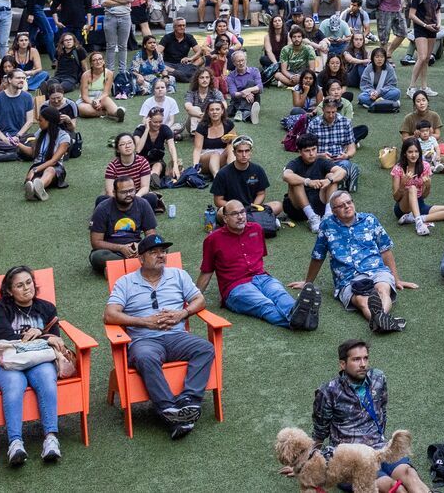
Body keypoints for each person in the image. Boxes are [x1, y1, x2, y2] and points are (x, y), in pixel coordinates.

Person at [105, 235, 213, 438]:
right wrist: (145, 322)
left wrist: (183, 313)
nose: (161, 256)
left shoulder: (178, 275)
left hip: (177, 337)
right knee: (146, 358)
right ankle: (168, 409)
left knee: (205, 348)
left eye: (163, 252)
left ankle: (189, 401)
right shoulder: (126, 282)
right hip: (144, 340)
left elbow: (199, 299)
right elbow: (110, 315)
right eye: (154, 252)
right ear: (141, 259)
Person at [311, 339, 432, 493]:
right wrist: (306, 462)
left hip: (379, 448)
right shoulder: (327, 391)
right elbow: (320, 432)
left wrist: (378, 438)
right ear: (342, 364)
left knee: (410, 475)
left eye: (365, 358)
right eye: (356, 359)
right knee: (395, 487)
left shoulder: (378, 378)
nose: (363, 364)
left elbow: (382, 411)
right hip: (351, 458)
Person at [0, 263, 73, 466]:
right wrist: (41, 338)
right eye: (19, 285)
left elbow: (56, 340)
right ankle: (15, 443)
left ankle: (51, 439)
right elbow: (5, 338)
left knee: (46, 377)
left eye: (29, 282)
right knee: (15, 382)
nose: (26, 288)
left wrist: (40, 334)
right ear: (9, 290)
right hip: (4, 363)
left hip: (37, 361)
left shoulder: (46, 308)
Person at [302, 190, 413, 333]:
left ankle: (379, 320)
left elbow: (385, 250)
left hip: (376, 270)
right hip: (347, 278)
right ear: (334, 211)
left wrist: (396, 279)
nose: (347, 206)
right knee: (361, 300)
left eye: (349, 202)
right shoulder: (327, 226)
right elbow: (318, 256)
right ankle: (383, 320)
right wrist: (307, 282)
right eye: (341, 205)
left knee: (383, 288)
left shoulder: (370, 220)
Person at [200, 198, 297, 326]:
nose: (240, 217)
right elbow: (206, 272)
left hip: (262, 277)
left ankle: (299, 314)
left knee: (279, 294)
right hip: (235, 287)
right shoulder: (213, 240)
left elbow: (259, 258)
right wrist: (195, 297)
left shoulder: (256, 229)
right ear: (225, 219)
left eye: (242, 212)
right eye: (235, 214)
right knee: (264, 304)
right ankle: (297, 322)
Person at [89, 175, 161, 274]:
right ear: (114, 193)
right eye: (123, 192)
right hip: (112, 251)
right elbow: (96, 242)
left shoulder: (143, 204)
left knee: (159, 245)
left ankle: (117, 269)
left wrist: (140, 245)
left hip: (136, 249)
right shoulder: (102, 208)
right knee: (97, 257)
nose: (128, 194)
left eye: (131, 191)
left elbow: (151, 234)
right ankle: (139, 265)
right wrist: (121, 248)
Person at [281, 129, 349, 230]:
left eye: (314, 149)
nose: (312, 153)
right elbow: (286, 175)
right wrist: (307, 182)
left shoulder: (321, 161)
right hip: (298, 207)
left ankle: (328, 215)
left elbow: (342, 172)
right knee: (295, 180)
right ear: (300, 151)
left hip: (319, 204)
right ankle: (311, 217)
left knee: (331, 176)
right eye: (307, 151)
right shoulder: (295, 163)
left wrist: (328, 180)